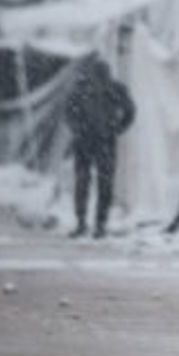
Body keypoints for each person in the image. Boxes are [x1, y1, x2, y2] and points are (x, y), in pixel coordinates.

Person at [64, 58, 136, 239]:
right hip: (99, 141)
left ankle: (90, 224)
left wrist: (78, 128)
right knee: (97, 183)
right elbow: (130, 112)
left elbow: (130, 111)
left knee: (89, 183)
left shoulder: (86, 88)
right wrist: (117, 128)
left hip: (93, 140)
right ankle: (94, 224)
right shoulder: (112, 89)